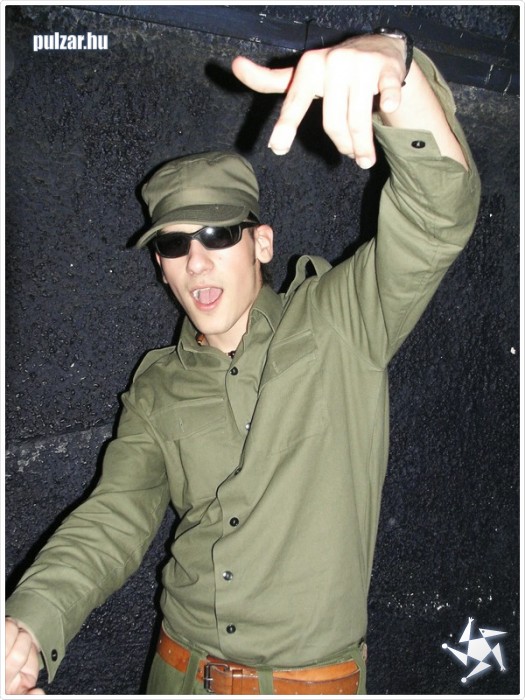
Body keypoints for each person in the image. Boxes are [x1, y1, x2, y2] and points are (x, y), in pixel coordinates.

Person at [5, 29, 480, 695]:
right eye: (174, 245)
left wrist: (396, 72)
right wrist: (28, 625)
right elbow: (114, 516)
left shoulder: (340, 323)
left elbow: (437, 217)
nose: (196, 262)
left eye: (217, 234)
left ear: (261, 243)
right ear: (161, 267)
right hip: (175, 673)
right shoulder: (157, 386)